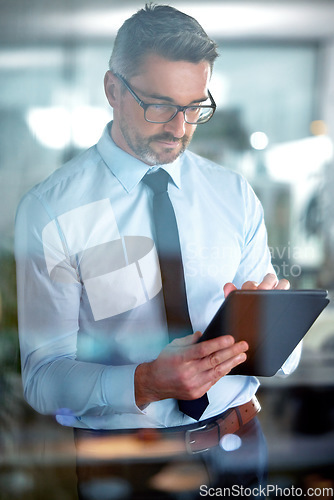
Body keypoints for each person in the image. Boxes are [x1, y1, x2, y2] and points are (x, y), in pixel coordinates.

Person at [15, 4, 301, 499]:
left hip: (240, 444)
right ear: (112, 90)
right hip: (127, 464)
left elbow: (286, 359)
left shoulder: (232, 194)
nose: (180, 127)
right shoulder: (51, 210)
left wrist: (272, 328)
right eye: (160, 105)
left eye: (195, 107)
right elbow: (43, 380)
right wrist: (144, 381)